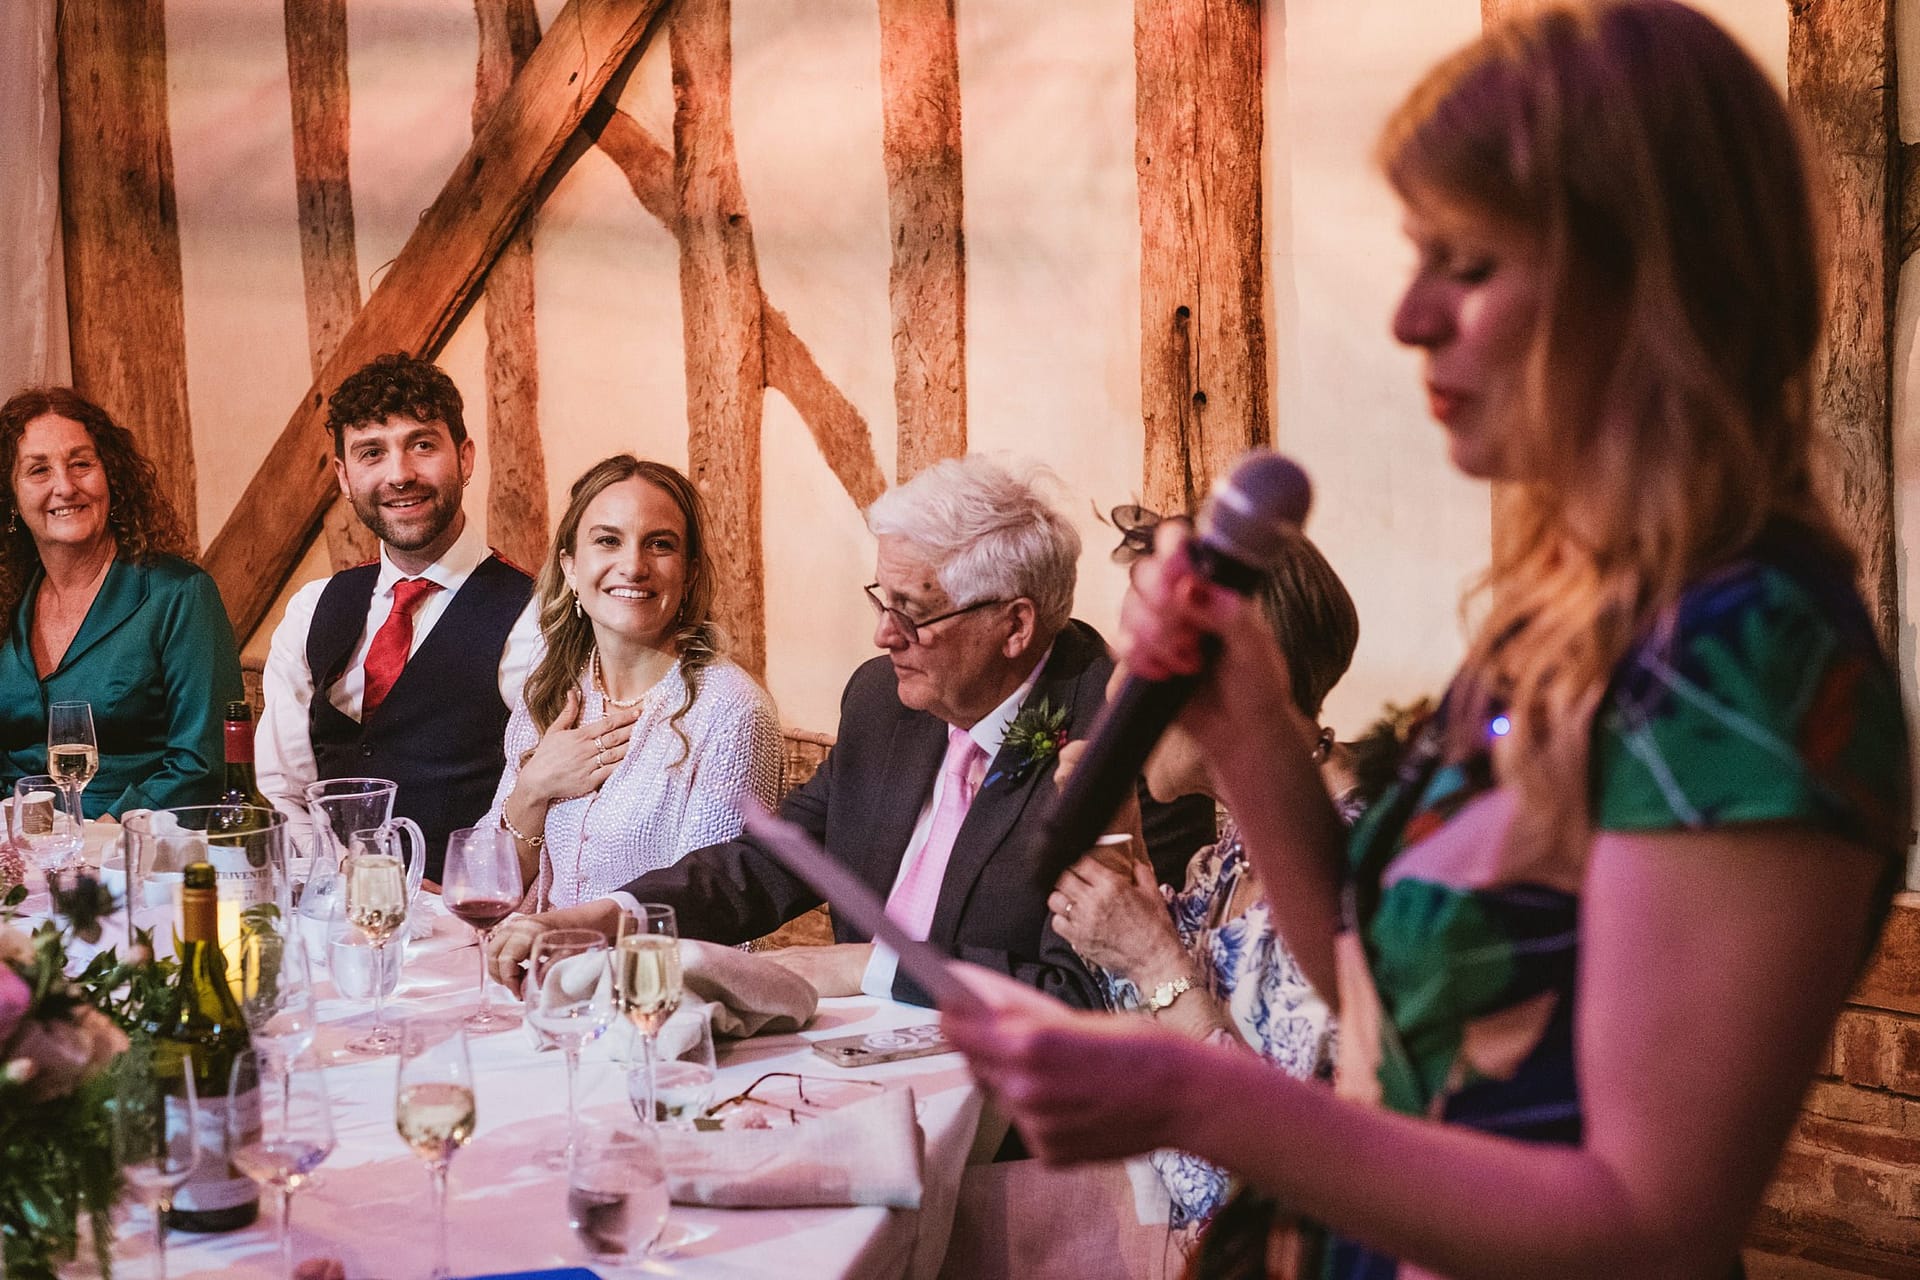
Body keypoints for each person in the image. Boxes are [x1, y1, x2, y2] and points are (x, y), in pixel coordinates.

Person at [942, 4, 1913, 1277]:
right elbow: (1381, 1003)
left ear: (1648, 278)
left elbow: (1649, 1223)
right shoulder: (1563, 614)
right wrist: (1250, 729)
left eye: (1466, 264)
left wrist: (1196, 1093)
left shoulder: (1757, 659)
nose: (1408, 316)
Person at [488, 455, 1215, 1009]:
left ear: (1015, 625)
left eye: (912, 610)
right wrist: (609, 918)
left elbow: (1087, 993)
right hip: (846, 1065)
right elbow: (769, 862)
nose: (882, 633)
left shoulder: (1124, 747)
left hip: (1007, 1109)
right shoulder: (884, 703)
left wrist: (866, 968)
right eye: (881, 598)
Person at [1049, 523, 1359, 1240]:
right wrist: (1120, 849)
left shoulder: (1342, 871)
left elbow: (1266, 1177)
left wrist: (1156, 960)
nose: (1113, 688)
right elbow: (1145, 1041)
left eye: (1136, 662)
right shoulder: (1236, 847)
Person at [256, 353, 539, 883]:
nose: (400, 475)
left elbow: (543, 805)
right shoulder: (311, 610)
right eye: (371, 453)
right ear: (344, 476)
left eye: (423, 445)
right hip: (331, 906)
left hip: (469, 916)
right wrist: (343, 878)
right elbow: (284, 790)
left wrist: (467, 891)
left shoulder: (536, 618)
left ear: (466, 457)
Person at [478, 455, 782, 908]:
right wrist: (532, 789)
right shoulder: (551, 685)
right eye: (608, 540)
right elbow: (485, 888)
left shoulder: (732, 712)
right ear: (570, 567)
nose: (633, 565)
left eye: (659, 544)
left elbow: (723, 924)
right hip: (537, 969)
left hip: (652, 977)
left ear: (690, 572)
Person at [0, 388, 243, 816]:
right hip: (18, 849)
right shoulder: (8, 603)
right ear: (12, 498)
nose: (65, 486)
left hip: (138, 850)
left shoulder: (180, 594)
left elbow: (203, 763)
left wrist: (104, 835)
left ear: (111, 475)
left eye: (81, 464)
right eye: (39, 470)